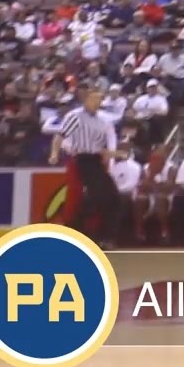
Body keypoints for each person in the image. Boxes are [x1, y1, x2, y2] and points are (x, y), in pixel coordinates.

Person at [51, 85, 120, 246]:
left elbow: (111, 139)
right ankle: (84, 235)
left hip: (97, 160)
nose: (96, 101)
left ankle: (105, 236)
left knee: (110, 198)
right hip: (82, 159)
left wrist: (109, 157)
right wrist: (59, 151)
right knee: (85, 198)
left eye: (99, 98)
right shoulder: (74, 116)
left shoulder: (104, 120)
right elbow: (62, 136)